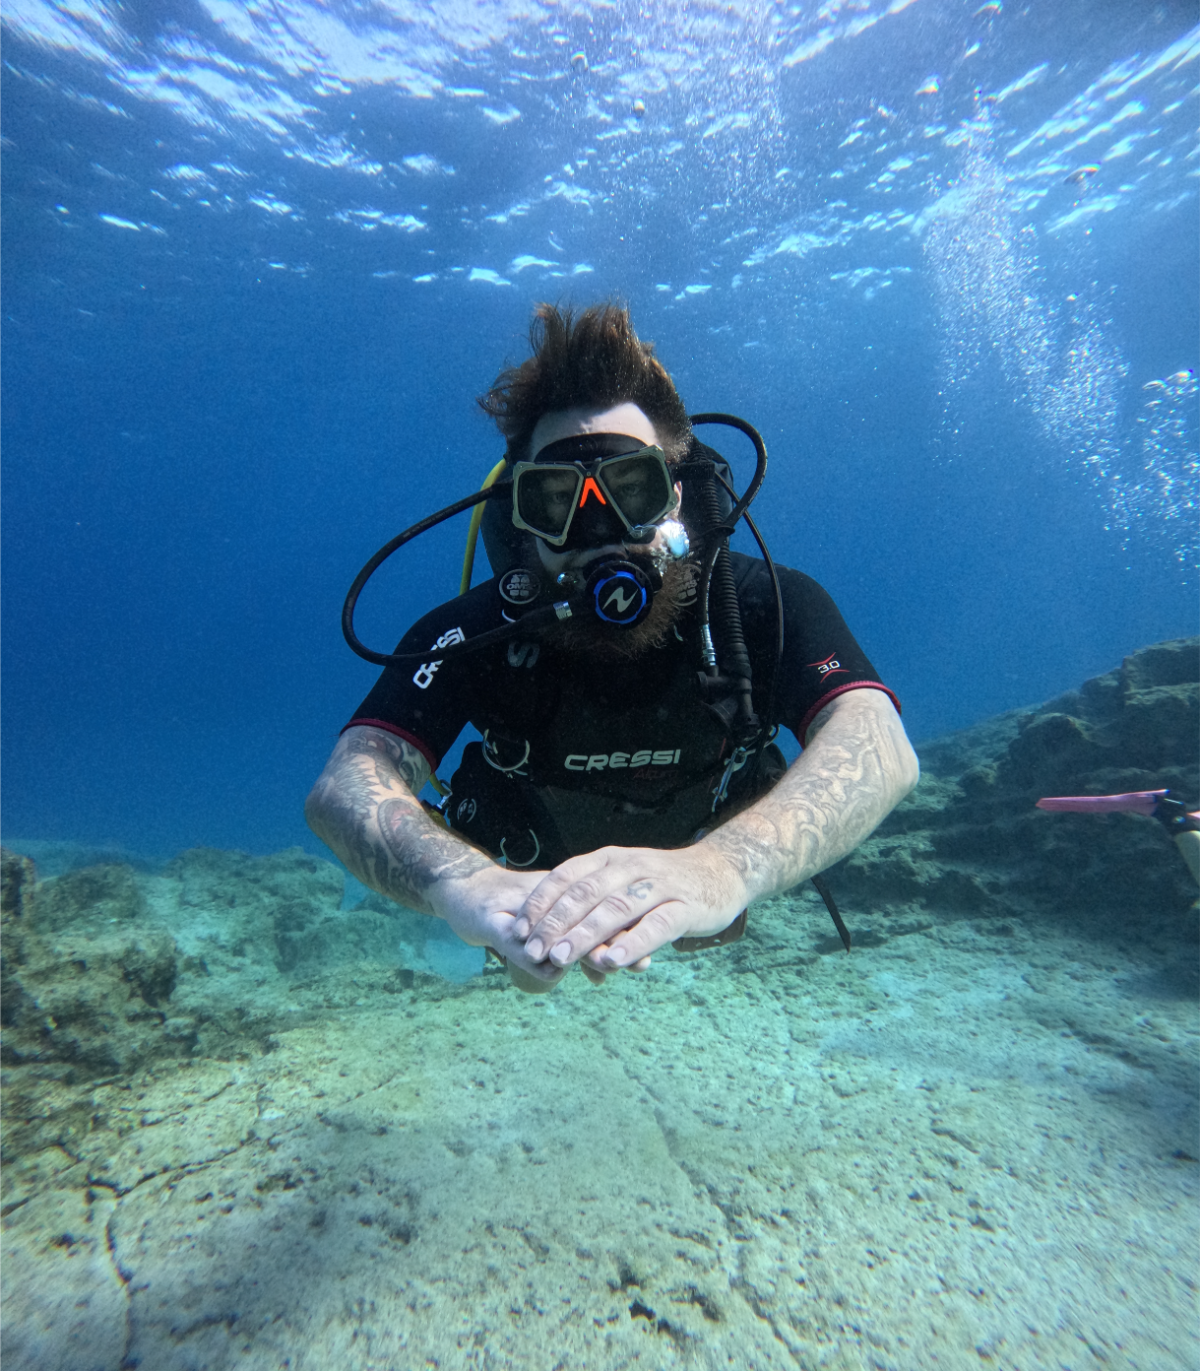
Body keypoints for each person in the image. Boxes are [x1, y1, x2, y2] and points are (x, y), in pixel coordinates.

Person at [306, 303, 919, 992]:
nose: (599, 529)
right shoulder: (472, 634)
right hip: (529, 886)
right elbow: (344, 785)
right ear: (521, 516)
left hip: (707, 871)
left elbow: (879, 742)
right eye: (555, 501)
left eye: (632, 488)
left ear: (678, 494)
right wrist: (469, 886)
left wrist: (722, 868)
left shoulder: (762, 604)